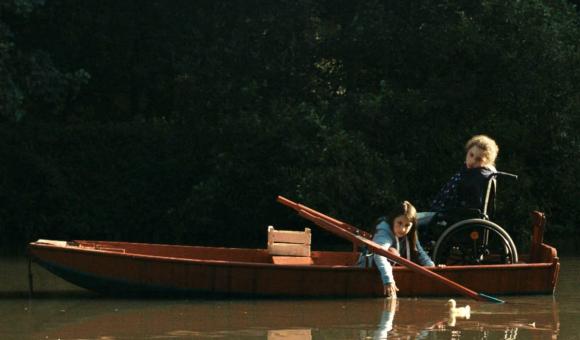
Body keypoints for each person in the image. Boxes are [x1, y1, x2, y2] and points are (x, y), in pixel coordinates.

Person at [418, 135, 499, 226]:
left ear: (486, 162)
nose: (472, 161)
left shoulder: (477, 175)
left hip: (446, 217)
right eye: (471, 155)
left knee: (410, 221)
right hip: (441, 213)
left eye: (478, 159)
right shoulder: (468, 172)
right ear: (467, 151)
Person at [360, 201, 434, 299]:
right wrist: (388, 280)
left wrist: (433, 268)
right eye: (399, 223)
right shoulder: (384, 230)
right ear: (392, 220)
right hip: (371, 269)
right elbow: (379, 254)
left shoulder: (410, 233)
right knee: (392, 253)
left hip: (394, 271)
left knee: (400, 253)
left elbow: (420, 253)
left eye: (407, 225)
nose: (403, 229)